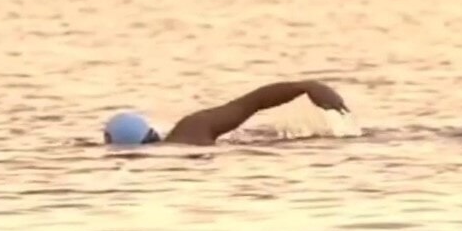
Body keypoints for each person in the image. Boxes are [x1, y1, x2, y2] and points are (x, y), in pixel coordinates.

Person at [103, 80, 349, 146]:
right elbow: (251, 103)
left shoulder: (188, 137)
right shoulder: (193, 130)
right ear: (151, 131)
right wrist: (306, 86)